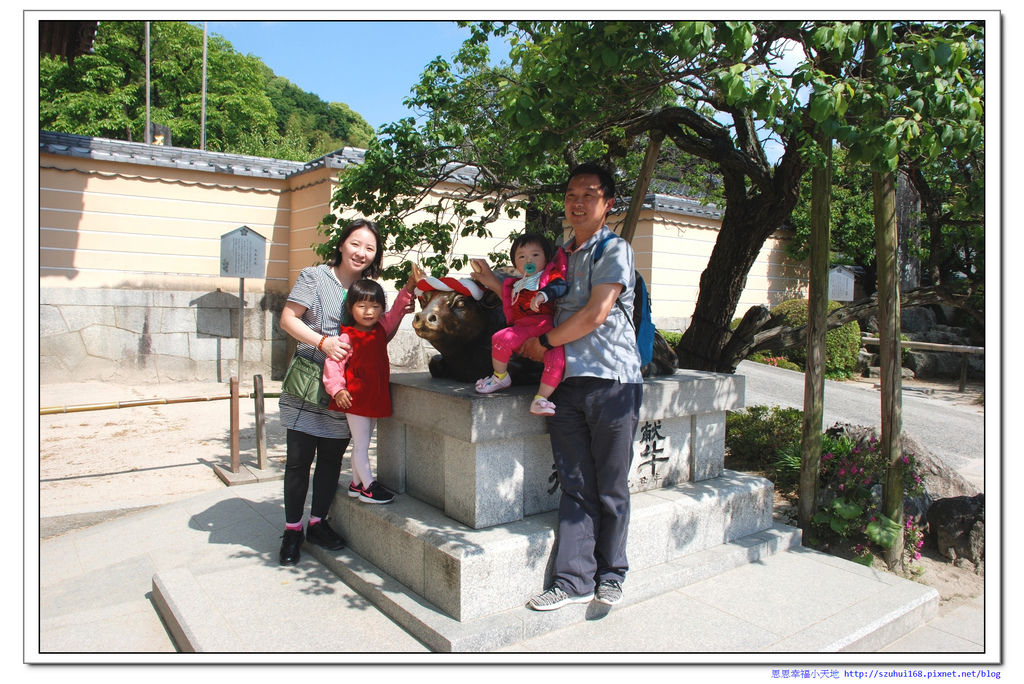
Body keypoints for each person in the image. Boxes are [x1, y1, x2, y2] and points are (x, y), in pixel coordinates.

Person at [519, 163, 643, 610]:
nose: (578, 202)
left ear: (608, 203)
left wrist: (544, 343)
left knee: (611, 484)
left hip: (613, 381)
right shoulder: (559, 256)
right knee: (575, 484)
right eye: (572, 194)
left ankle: (611, 575)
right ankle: (572, 581)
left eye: (590, 194)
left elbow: (596, 313)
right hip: (565, 383)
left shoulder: (614, 248)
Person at [277, 218, 400, 566]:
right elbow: (288, 319)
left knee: (331, 460)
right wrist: (323, 342)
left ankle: (317, 523)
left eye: (370, 248)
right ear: (342, 244)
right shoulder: (315, 277)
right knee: (299, 460)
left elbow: (376, 336)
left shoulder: (368, 289)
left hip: (348, 392)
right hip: (309, 385)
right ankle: (292, 530)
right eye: (355, 243)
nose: (361, 252)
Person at [322, 277, 415, 504]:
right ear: (350, 307)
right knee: (362, 444)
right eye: (362, 306)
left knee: (362, 441)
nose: (369, 311)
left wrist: (410, 287)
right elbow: (333, 365)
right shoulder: (347, 337)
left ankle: (356, 483)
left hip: (374, 396)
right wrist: (337, 390)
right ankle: (369, 487)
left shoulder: (381, 328)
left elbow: (397, 311)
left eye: (375, 306)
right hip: (355, 398)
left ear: (381, 308)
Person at [469, 233, 568, 416]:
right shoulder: (516, 284)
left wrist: (544, 294)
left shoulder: (548, 275)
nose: (529, 260)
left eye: (535, 255)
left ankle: (541, 398)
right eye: (522, 256)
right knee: (500, 338)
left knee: (556, 359)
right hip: (522, 327)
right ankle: (500, 376)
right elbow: (508, 302)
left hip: (545, 326)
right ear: (515, 263)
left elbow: (560, 286)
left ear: (546, 258)